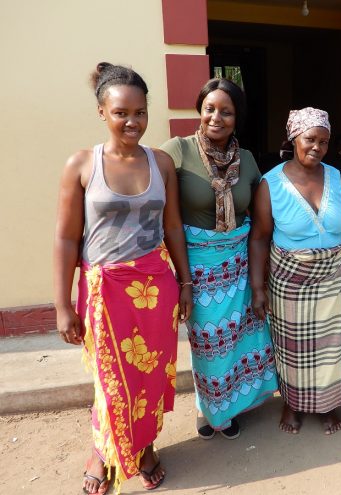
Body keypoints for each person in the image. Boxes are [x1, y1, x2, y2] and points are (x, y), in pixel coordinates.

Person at [53, 62, 193, 493]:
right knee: (111, 379)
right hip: (103, 290)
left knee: (151, 375)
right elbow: (65, 238)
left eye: (141, 112)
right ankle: (102, 450)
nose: (132, 121)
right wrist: (62, 306)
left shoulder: (162, 162)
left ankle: (146, 445)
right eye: (121, 113)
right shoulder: (81, 164)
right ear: (102, 112)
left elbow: (172, 228)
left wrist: (185, 283)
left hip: (156, 287)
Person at [161, 78, 278, 441]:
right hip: (196, 266)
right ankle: (207, 407)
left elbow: (260, 212)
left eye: (226, 111)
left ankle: (232, 403)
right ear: (199, 109)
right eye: (210, 108)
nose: (216, 117)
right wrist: (183, 279)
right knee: (209, 343)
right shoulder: (176, 151)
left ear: (236, 118)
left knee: (241, 340)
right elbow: (163, 214)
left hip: (239, 265)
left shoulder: (246, 159)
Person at [249, 107, 341, 435]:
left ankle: (326, 404)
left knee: (331, 347)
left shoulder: (335, 177)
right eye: (310, 139)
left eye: (324, 141)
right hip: (290, 279)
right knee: (293, 350)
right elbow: (259, 238)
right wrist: (258, 289)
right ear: (293, 139)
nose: (317, 147)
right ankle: (292, 402)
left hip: (335, 276)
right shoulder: (271, 184)